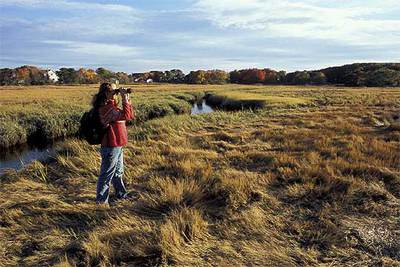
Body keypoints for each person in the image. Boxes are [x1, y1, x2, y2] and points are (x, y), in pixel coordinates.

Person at [92, 82, 134, 204]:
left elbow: (130, 115)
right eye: (114, 92)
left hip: (118, 145)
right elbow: (126, 116)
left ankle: (121, 195)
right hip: (111, 145)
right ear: (106, 94)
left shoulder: (112, 106)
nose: (116, 94)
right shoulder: (106, 108)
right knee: (106, 175)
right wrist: (124, 98)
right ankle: (101, 202)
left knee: (118, 173)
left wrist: (126, 98)